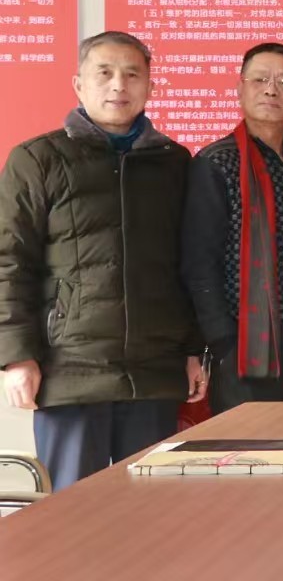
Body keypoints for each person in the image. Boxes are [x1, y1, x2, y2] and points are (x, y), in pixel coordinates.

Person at [0, 31, 205, 491]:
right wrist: (16, 357)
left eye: (132, 74)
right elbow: (10, 262)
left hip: (154, 371)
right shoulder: (37, 159)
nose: (119, 85)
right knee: (74, 511)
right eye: (105, 73)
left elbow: (190, 264)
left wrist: (193, 350)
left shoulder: (174, 162)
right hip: (71, 370)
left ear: (150, 85)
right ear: (78, 84)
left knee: (150, 511)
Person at [181, 43, 283, 414]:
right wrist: (222, 342)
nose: (271, 90)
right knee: (248, 445)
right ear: (240, 88)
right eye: (260, 80)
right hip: (244, 346)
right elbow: (199, 261)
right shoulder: (216, 163)